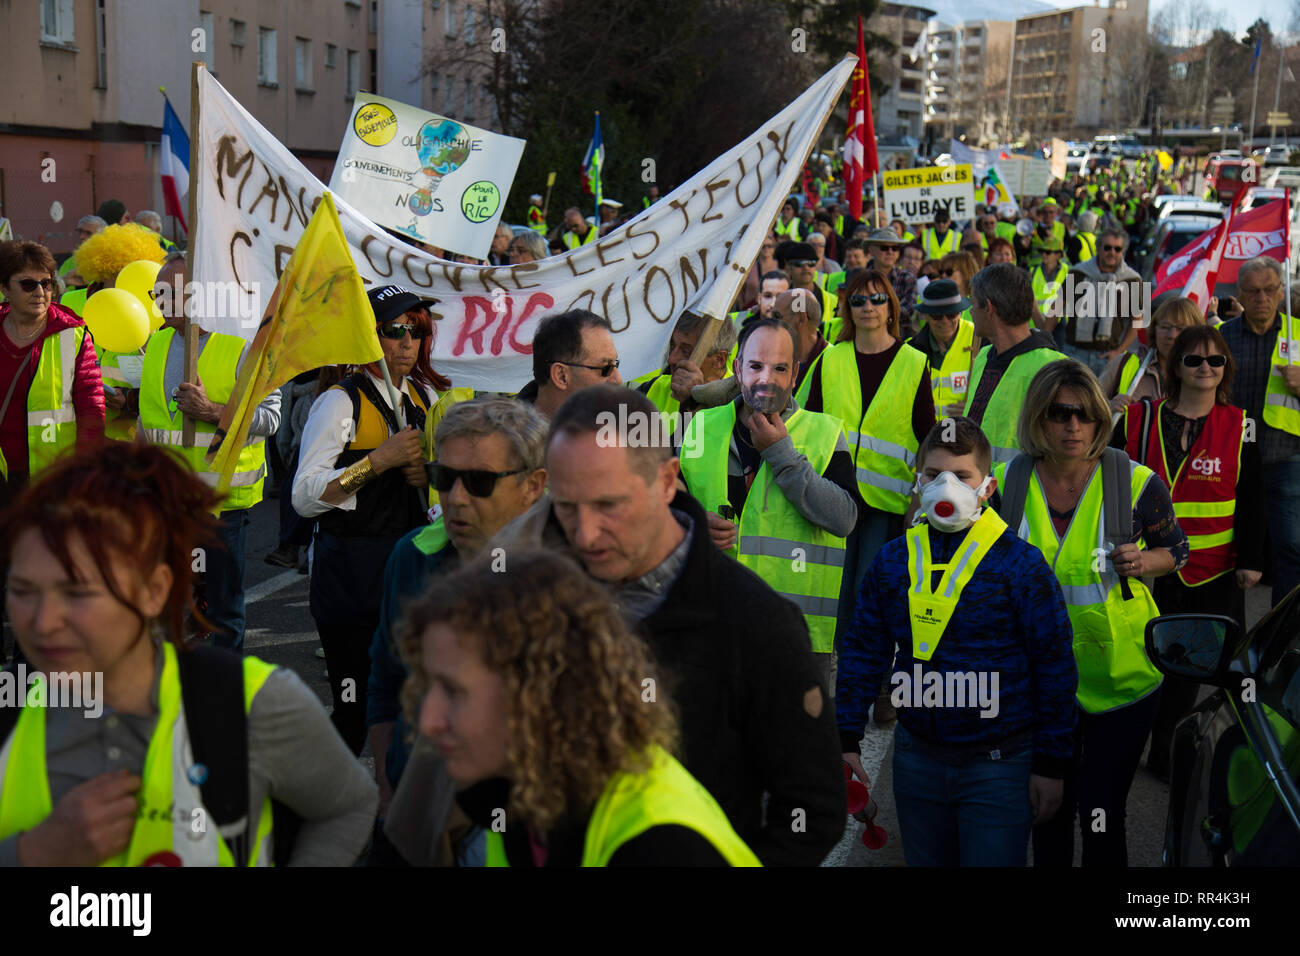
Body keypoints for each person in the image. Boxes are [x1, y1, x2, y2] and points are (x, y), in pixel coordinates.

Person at [491, 385, 846, 865]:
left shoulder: (757, 624)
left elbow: (811, 811)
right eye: (567, 506)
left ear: (665, 482)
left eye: (609, 505)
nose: (585, 532)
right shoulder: (532, 599)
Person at [0, 443, 377, 866]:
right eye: (22, 590)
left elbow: (348, 805)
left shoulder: (251, 703)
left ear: (155, 590)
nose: (43, 621)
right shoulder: (11, 711)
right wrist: (33, 852)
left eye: (77, 592)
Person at [400, 550, 760, 866]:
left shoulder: (661, 846)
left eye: (453, 691)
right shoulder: (512, 791)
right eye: (429, 685)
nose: (428, 722)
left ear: (540, 691)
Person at [839, 418, 1076, 866]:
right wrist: (846, 736)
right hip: (917, 757)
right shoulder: (893, 560)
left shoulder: (1022, 566)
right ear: (917, 480)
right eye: (933, 475)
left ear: (986, 487)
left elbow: (1055, 667)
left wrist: (1051, 764)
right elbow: (863, 649)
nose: (945, 486)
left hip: (1000, 764)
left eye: (961, 476)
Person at [994, 360, 1188, 867]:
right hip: (1036, 687)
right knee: (1048, 810)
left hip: (1121, 684)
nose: (1073, 426)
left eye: (1086, 416)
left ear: (1102, 421)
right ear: (1038, 418)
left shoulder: (1137, 482)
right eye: (1060, 414)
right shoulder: (1004, 485)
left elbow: (1178, 551)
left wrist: (1146, 560)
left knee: (1102, 812)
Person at [366, 398, 549, 865]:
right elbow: (385, 682)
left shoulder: (566, 579)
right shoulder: (411, 557)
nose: (456, 498)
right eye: (443, 478)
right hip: (416, 820)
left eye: (481, 482)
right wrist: (390, 792)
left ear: (534, 486)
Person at [292, 284, 438, 755]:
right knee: (354, 709)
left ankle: (394, 811)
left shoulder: (423, 396)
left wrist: (424, 477)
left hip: (409, 576)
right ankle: (318, 809)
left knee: (410, 704)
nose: (407, 342)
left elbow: (434, 493)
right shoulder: (340, 401)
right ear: (369, 336)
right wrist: (376, 462)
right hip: (351, 580)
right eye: (395, 330)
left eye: (415, 330)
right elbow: (304, 496)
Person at [678, 319, 862, 692]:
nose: (767, 379)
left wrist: (783, 456)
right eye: (756, 366)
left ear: (795, 373)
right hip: (714, 625)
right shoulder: (697, 428)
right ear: (737, 369)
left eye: (780, 368)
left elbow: (844, 518)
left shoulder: (825, 432)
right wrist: (691, 521)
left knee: (793, 749)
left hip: (796, 637)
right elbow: (658, 503)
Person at [1117, 325, 1265, 779]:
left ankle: (1165, 752)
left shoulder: (1245, 424)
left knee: (1191, 669)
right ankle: (1118, 749)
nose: (1205, 367)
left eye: (1215, 360)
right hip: (1147, 569)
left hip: (1213, 571)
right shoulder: (1138, 419)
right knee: (1139, 662)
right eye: (1194, 360)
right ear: (1174, 366)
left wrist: (1253, 560)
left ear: (1226, 369)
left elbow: (1254, 495)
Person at [798, 270, 934, 721]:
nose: (869, 306)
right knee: (836, 598)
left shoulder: (914, 363)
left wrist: (921, 496)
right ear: (848, 310)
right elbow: (802, 421)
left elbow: (926, 437)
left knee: (869, 593)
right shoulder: (829, 359)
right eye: (858, 300)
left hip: (884, 504)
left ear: (892, 306)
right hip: (833, 497)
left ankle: (879, 684)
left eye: (878, 298)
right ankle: (849, 683)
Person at [139, 254, 281, 653]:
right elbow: (148, 420)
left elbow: (271, 418)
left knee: (222, 611)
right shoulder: (157, 342)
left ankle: (223, 695)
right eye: (156, 293)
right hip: (166, 502)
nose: (159, 303)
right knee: (166, 603)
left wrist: (211, 411)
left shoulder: (240, 346)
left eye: (168, 294)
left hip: (221, 506)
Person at [1218, 256, 1300, 607]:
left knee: (1291, 550)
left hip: (1285, 459)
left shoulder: (1297, 337)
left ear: (1281, 292)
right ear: (1239, 294)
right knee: (1226, 552)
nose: (1261, 298)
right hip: (1231, 461)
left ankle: (1278, 640)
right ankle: (1225, 635)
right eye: (1252, 291)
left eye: (1269, 290)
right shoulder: (1223, 337)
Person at [0, 241, 104, 508]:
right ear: (4, 289)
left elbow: (91, 410)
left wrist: (84, 473)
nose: (40, 292)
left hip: (53, 481)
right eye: (27, 284)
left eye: (46, 283)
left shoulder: (74, 335)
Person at [963, 263, 1062, 465]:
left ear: (989, 308)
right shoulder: (983, 356)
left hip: (1020, 491)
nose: (970, 311)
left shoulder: (1054, 368)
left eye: (973, 303)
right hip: (976, 488)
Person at [1039, 228, 1142, 377]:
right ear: (1098, 248)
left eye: (1117, 249)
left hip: (1107, 356)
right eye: (1107, 247)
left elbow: (1137, 321)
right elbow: (1057, 307)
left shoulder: (1133, 279)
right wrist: (1045, 341)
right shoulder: (1078, 272)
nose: (1112, 252)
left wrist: (1118, 352)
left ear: (1123, 251)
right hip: (1074, 352)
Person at [1101, 296, 1202, 413]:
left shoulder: (1205, 372)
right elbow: (1087, 406)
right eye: (1165, 327)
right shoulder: (1122, 363)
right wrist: (1108, 408)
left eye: (1180, 329)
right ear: (1154, 330)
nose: (1172, 335)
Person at [515, 309, 622, 417]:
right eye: (606, 368)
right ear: (561, 375)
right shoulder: (504, 432)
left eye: (615, 364)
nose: (618, 379)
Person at [633, 312, 736, 423]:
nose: (672, 359)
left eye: (685, 351)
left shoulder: (737, 402)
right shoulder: (655, 387)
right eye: (672, 345)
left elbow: (701, 438)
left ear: (719, 359)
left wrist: (690, 403)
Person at [909, 278, 975, 420]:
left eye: (951, 314)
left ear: (960, 313)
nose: (945, 321)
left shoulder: (980, 340)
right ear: (925, 316)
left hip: (967, 435)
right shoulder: (911, 350)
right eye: (937, 316)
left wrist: (974, 408)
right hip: (928, 436)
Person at [866, 228, 917, 330]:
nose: (890, 252)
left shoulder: (907, 278)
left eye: (895, 248)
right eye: (884, 247)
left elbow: (908, 310)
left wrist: (875, 314)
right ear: (871, 250)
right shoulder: (860, 278)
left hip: (899, 335)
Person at [776, 241, 836, 325]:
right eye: (799, 264)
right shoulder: (778, 300)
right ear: (788, 268)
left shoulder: (833, 301)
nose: (806, 268)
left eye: (811, 264)